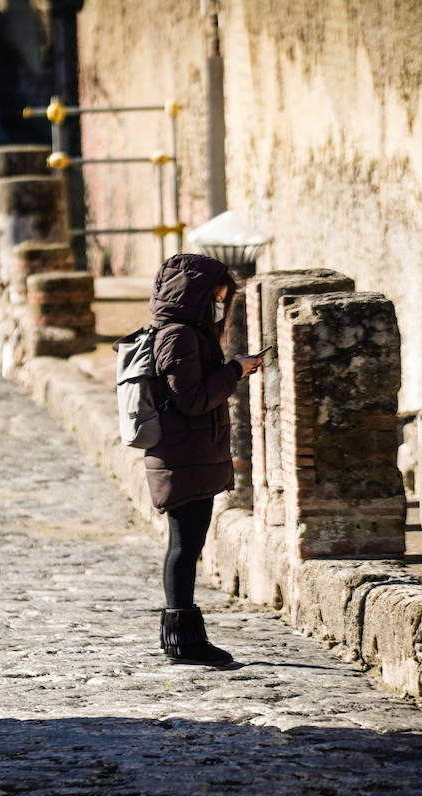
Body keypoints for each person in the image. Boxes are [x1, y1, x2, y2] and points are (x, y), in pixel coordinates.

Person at [143, 252, 263, 666]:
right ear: (198, 293)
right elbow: (192, 400)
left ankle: (182, 638)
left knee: (186, 544)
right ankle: (184, 641)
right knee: (184, 545)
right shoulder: (178, 336)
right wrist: (234, 370)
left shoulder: (187, 333)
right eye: (216, 293)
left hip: (190, 454)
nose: (220, 300)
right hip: (183, 455)